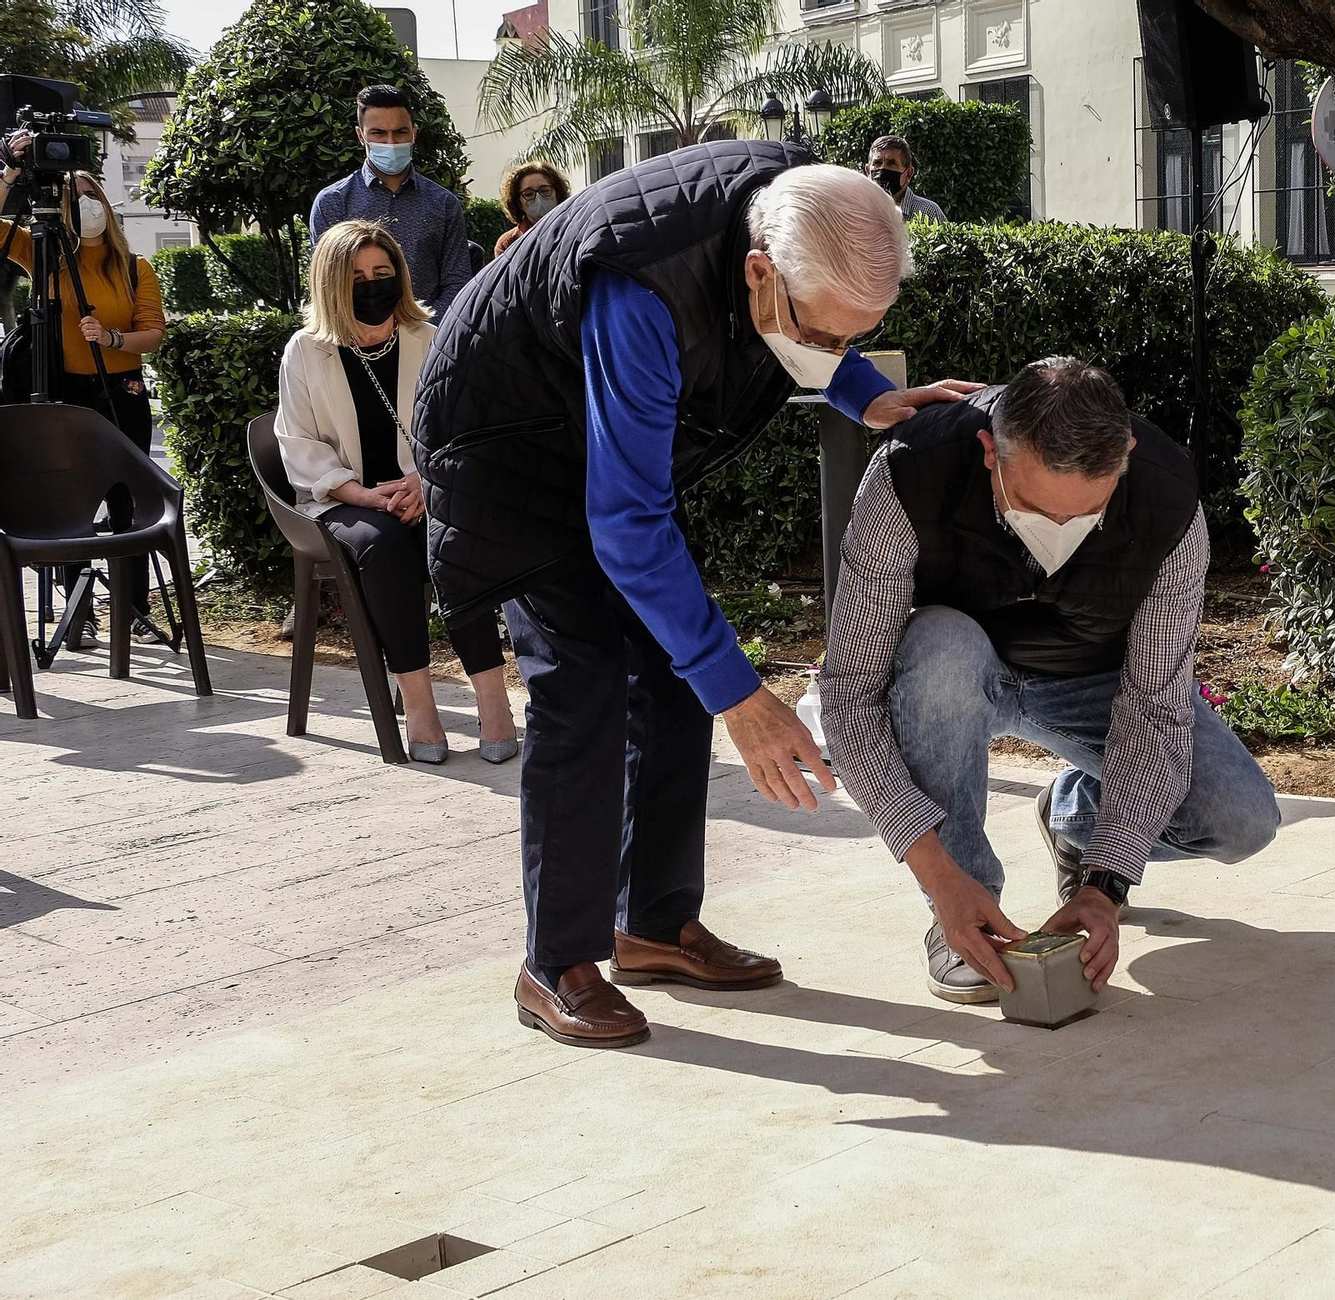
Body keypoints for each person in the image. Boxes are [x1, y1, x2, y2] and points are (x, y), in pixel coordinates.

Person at [414, 141, 980, 1050]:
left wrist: (869, 393)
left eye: (857, 336)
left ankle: (653, 928)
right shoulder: (640, 289)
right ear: (760, 272)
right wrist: (746, 701)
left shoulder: (814, 204)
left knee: (672, 677)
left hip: (594, 433)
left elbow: (806, 345)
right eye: (827, 334)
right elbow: (628, 526)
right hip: (505, 445)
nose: (837, 351)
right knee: (585, 683)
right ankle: (553, 963)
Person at [818, 357, 1281, 1004]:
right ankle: (964, 922)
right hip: (950, 674)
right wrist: (938, 873)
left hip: (1088, 680)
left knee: (1241, 822)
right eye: (1035, 509)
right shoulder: (904, 475)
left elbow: (1154, 708)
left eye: (1087, 516)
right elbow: (849, 696)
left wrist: (1107, 886)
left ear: (1124, 455)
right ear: (989, 452)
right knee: (942, 650)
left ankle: (1075, 822)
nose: (1057, 537)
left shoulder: (1170, 506)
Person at [275, 219, 517, 765]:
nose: (372, 283)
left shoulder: (428, 338)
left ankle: (493, 697)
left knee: (455, 539)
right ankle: (419, 700)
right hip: (344, 499)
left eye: (382, 272)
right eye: (357, 275)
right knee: (384, 546)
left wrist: (427, 482)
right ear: (331, 282)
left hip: (428, 488)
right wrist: (359, 493)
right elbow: (297, 440)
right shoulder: (305, 351)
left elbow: (460, 428)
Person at [1, 145, 168, 646]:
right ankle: (80, 611)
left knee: (127, 499)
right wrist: (13, 170)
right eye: (72, 197)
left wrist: (113, 340)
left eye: (91, 193)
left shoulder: (134, 267)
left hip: (122, 388)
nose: (85, 204)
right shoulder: (42, 252)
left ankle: (133, 607)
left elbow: (153, 331)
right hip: (66, 391)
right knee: (72, 500)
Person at [309, 85, 473, 315]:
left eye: (400, 132)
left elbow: (457, 282)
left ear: (414, 133)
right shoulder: (332, 203)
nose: (390, 141)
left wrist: (422, 334)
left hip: (428, 341)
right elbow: (327, 285)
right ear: (360, 135)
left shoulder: (443, 204)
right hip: (355, 341)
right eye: (378, 133)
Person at [493, 160, 571, 258]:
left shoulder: (575, 231)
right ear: (519, 203)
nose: (538, 197)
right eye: (528, 194)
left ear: (558, 194)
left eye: (545, 190)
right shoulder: (508, 243)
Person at [865, 136, 945, 224]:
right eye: (877, 163)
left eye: (891, 163)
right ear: (868, 171)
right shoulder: (856, 210)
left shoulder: (928, 212)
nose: (883, 168)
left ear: (908, 174)